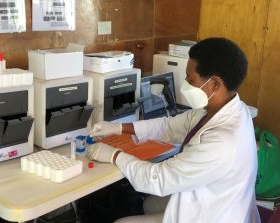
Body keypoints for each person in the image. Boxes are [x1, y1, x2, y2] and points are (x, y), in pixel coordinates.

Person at [86, 37, 261, 223]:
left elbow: (158, 179)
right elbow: (168, 126)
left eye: (191, 79)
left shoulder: (222, 142)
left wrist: (114, 156)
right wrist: (118, 128)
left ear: (215, 84)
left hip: (216, 215)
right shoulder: (230, 109)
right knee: (151, 204)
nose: (185, 82)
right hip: (214, 197)